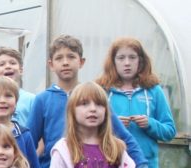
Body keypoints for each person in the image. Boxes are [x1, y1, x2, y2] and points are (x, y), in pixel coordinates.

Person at [27, 35, 147, 167]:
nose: (65, 62)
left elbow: (124, 137)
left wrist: (142, 164)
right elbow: (28, 142)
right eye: (59, 58)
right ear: (51, 64)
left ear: (81, 62)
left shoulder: (94, 97)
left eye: (71, 56)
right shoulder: (42, 100)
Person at [96, 37, 176, 168]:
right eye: (121, 58)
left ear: (141, 61)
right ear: (113, 61)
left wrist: (150, 124)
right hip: (111, 162)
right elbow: (89, 130)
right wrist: (113, 126)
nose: (127, 63)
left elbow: (170, 131)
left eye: (132, 57)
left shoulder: (154, 90)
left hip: (146, 163)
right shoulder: (102, 91)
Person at [50, 82, 135, 167]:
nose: (93, 109)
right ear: (72, 111)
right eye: (84, 104)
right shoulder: (63, 149)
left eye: (99, 104)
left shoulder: (117, 147)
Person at [0, 47, 36, 126]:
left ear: (21, 70)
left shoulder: (32, 99)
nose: (7, 66)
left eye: (12, 63)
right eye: (2, 64)